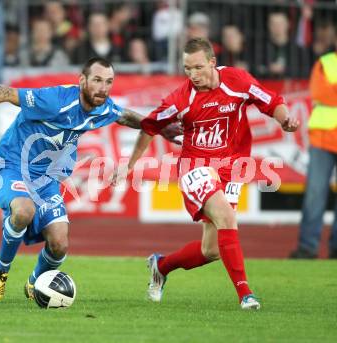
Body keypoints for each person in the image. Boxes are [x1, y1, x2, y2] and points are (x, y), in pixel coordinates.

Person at [0, 57, 182, 301]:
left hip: (45, 179)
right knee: (23, 211)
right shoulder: (55, 100)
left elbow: (126, 116)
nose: (103, 87)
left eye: (108, 81)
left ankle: (35, 284)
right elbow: (3, 92)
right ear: (82, 80)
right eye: (97, 80)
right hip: (10, 165)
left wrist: (161, 128)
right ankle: (0, 271)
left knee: (60, 243)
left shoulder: (101, 108)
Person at [112, 38, 299, 310]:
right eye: (187, 69)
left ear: (212, 62)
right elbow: (149, 126)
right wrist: (129, 165)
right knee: (227, 216)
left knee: (211, 251)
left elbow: (272, 102)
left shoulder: (237, 82)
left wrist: (285, 120)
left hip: (231, 168)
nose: (193, 75)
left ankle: (161, 266)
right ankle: (246, 294)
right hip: (195, 167)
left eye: (198, 68)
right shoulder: (181, 99)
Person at [290, 40, 337, 259]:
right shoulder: (325, 62)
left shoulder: (326, 66)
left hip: (323, 134)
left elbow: (330, 94)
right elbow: (321, 94)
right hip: (322, 138)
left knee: (315, 194)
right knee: (315, 194)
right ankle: (308, 247)